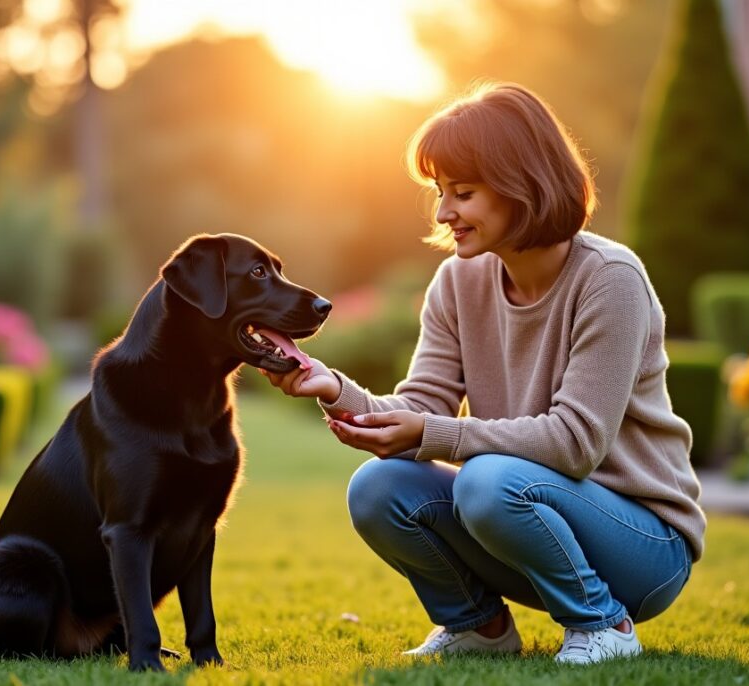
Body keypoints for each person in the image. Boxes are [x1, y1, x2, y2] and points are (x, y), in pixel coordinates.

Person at [261, 82, 704, 666]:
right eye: (441, 193)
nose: (445, 214)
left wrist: (431, 434)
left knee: (487, 481)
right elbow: (423, 407)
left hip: (645, 544)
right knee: (378, 487)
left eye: (462, 193)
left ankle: (604, 623)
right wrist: (336, 389)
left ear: (522, 184)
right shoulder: (457, 282)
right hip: (526, 509)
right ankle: (478, 626)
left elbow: (576, 444)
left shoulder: (610, 279)